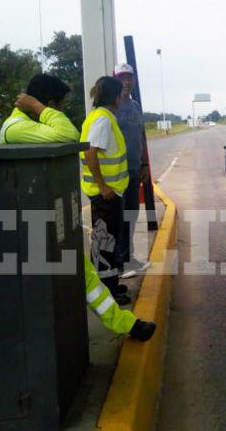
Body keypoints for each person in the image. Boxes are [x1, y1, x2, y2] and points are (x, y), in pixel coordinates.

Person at [0, 73, 156, 342]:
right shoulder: (15, 128)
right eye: (57, 106)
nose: (58, 111)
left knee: (88, 280)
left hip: (51, 223)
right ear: (48, 103)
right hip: (28, 229)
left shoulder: (32, 127)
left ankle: (129, 325)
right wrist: (40, 109)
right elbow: (70, 136)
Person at [80, 76, 132, 303]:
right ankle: (105, 293)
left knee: (108, 242)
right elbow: (91, 152)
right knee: (104, 244)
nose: (123, 97)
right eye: (121, 93)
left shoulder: (101, 117)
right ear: (115, 96)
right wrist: (103, 186)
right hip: (105, 195)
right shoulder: (102, 120)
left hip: (110, 193)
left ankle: (111, 285)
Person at [113, 63, 152, 278]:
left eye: (129, 78)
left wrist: (145, 164)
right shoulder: (110, 107)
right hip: (118, 173)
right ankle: (121, 262)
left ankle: (129, 257)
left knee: (132, 215)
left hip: (135, 169)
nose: (126, 82)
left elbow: (142, 137)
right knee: (120, 217)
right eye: (122, 78)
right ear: (114, 80)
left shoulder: (136, 106)